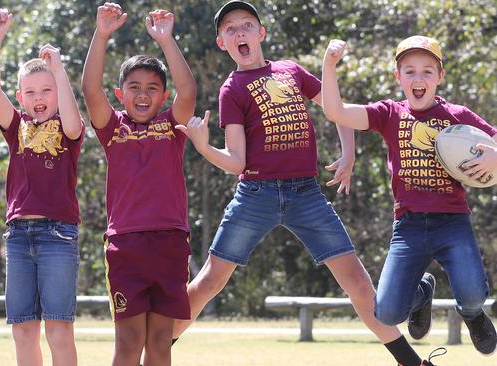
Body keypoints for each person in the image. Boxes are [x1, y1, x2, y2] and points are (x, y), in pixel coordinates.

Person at [175, 2, 433, 365]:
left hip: (306, 195)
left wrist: (348, 154)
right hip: (256, 195)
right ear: (222, 43)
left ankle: (413, 363)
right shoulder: (231, 89)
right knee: (208, 283)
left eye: (247, 25)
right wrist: (203, 147)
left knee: (359, 286)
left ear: (261, 34)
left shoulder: (290, 70)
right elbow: (237, 162)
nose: (240, 33)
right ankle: (154, 350)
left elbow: (336, 107)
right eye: (231, 29)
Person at [322, 35, 497, 356]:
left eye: (428, 71)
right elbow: (336, 111)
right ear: (398, 77)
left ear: (440, 77)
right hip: (408, 227)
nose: (419, 78)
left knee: (473, 296)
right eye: (410, 71)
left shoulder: (457, 114)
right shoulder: (389, 113)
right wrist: (330, 65)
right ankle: (422, 292)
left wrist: (494, 156)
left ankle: (472, 314)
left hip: (453, 223)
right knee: (387, 313)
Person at [81, 2, 196, 365]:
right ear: (121, 94)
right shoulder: (113, 128)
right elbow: (89, 90)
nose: (143, 94)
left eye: (152, 88)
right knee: (129, 343)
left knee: (161, 342)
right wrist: (101, 34)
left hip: (171, 242)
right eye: (134, 87)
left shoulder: (172, 126)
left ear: (163, 96)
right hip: (126, 246)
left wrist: (167, 41)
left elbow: (188, 91)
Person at [0, 8, 84, 366]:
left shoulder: (69, 125)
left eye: (47, 90)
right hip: (19, 235)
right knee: (23, 329)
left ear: (58, 92)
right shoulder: (16, 126)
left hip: (59, 235)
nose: (38, 96)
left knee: (58, 327)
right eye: (30, 91)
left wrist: (58, 69)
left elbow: (72, 126)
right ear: (21, 96)